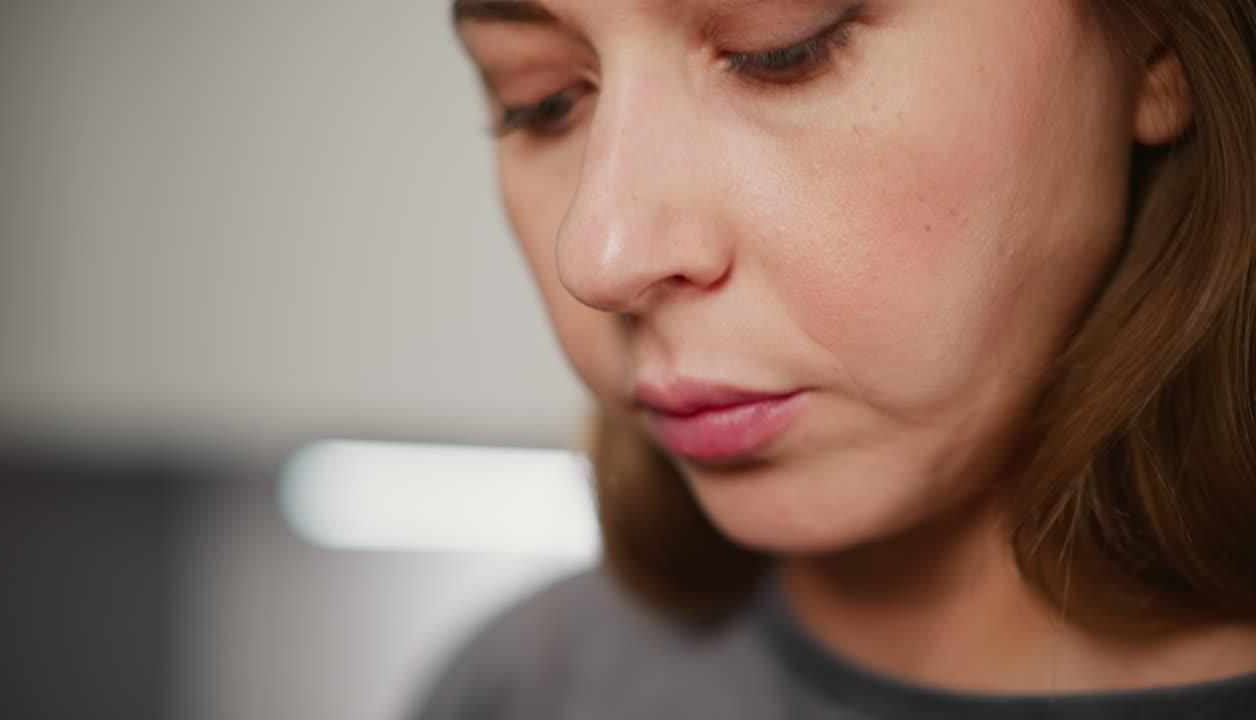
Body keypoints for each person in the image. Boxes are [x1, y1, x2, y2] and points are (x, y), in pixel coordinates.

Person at [418, 1, 1256, 717]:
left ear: (1156, 46)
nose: (602, 256)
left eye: (781, 51)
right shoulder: (530, 684)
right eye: (545, 103)